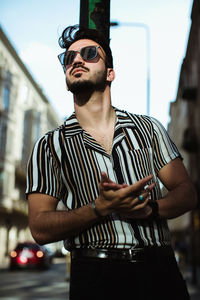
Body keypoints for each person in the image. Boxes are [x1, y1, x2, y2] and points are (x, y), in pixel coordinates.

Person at [26, 25, 197, 300]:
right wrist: (98, 208)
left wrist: (149, 209)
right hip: (94, 276)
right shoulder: (49, 145)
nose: (77, 60)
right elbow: (39, 227)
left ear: (110, 73)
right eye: (69, 58)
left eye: (89, 53)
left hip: (159, 271)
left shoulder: (148, 128)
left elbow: (187, 193)